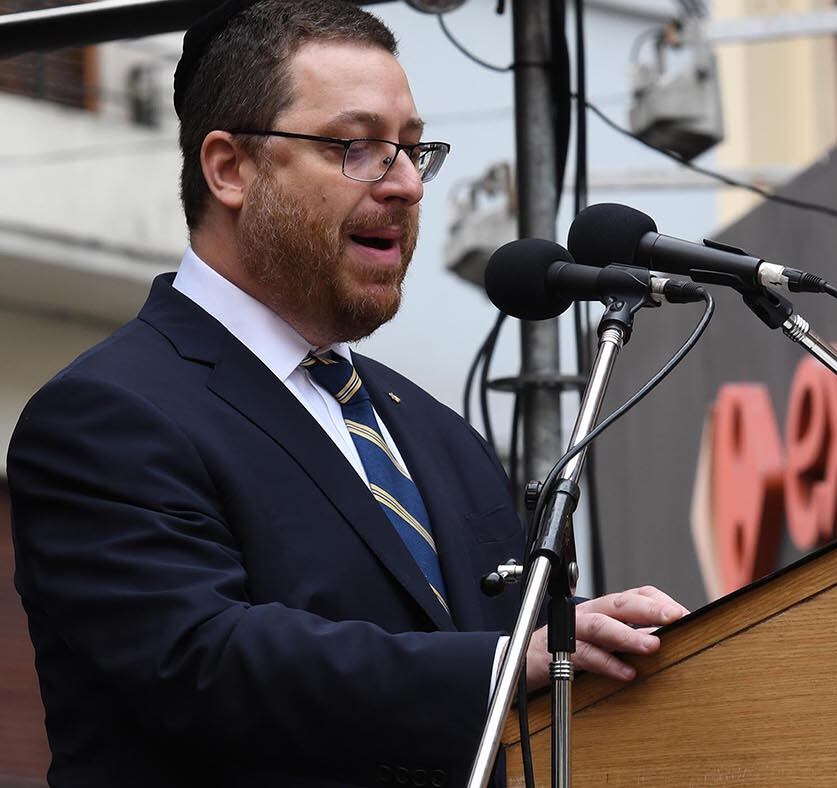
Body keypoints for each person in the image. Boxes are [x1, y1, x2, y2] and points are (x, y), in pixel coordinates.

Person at [7, 2, 686, 786]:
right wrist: (506, 664)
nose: (405, 185)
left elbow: (523, 702)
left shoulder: (437, 434)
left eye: (410, 149)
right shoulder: (107, 413)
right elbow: (201, 662)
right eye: (357, 147)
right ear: (229, 168)